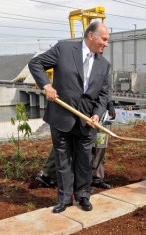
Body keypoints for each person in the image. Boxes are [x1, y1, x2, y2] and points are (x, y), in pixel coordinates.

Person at [29, 21, 110, 213]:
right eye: (104, 39)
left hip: (87, 121)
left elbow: (104, 95)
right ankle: (64, 199)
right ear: (91, 35)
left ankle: (83, 195)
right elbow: (36, 63)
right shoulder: (64, 49)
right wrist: (46, 86)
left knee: (84, 160)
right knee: (63, 159)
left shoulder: (104, 64)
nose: (106, 44)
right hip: (61, 117)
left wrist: (97, 115)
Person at [35, 100, 116, 189]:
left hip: (98, 113)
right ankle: (48, 174)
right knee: (66, 144)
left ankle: (95, 178)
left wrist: (109, 102)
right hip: (79, 110)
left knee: (100, 144)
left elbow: (103, 89)